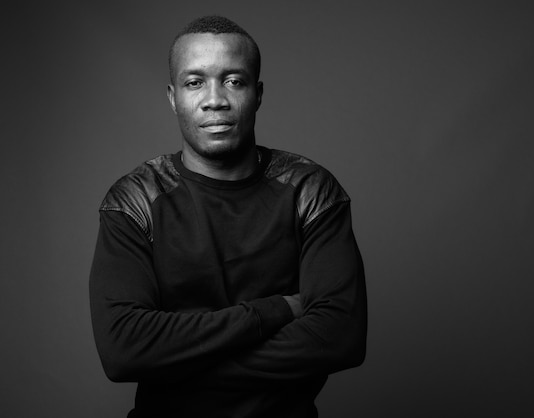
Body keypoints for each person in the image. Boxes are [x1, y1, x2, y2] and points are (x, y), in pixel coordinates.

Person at [89, 15, 367, 418]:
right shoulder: (134, 200)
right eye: (194, 82)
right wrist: (275, 311)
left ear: (257, 93)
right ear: (172, 96)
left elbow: (339, 337)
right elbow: (124, 350)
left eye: (233, 80)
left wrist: (179, 361)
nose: (214, 99)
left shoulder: (311, 190)